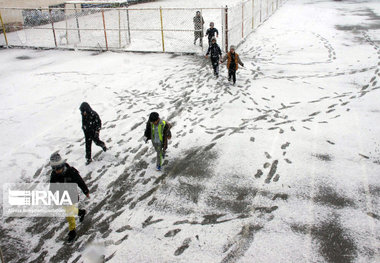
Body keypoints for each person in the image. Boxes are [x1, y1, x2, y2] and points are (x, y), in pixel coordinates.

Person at [49, 152, 89, 243]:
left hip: (72, 195)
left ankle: (72, 231)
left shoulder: (71, 172)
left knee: (69, 213)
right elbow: (52, 186)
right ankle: (81, 212)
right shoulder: (54, 174)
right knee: (69, 210)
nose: (57, 171)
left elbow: (79, 181)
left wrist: (85, 190)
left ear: (62, 165)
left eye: (58, 169)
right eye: (55, 169)